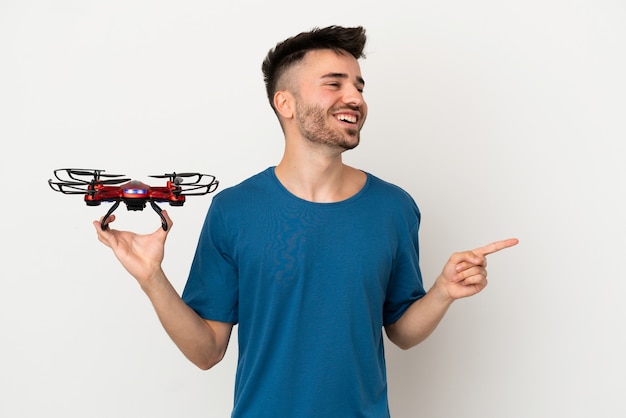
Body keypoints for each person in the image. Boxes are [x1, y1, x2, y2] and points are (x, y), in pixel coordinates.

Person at [94, 25, 518, 418]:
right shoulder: (233, 210)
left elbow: (401, 331)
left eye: (358, 86)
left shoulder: (394, 209)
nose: (354, 97)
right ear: (286, 103)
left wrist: (442, 292)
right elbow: (206, 351)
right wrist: (152, 277)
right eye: (334, 83)